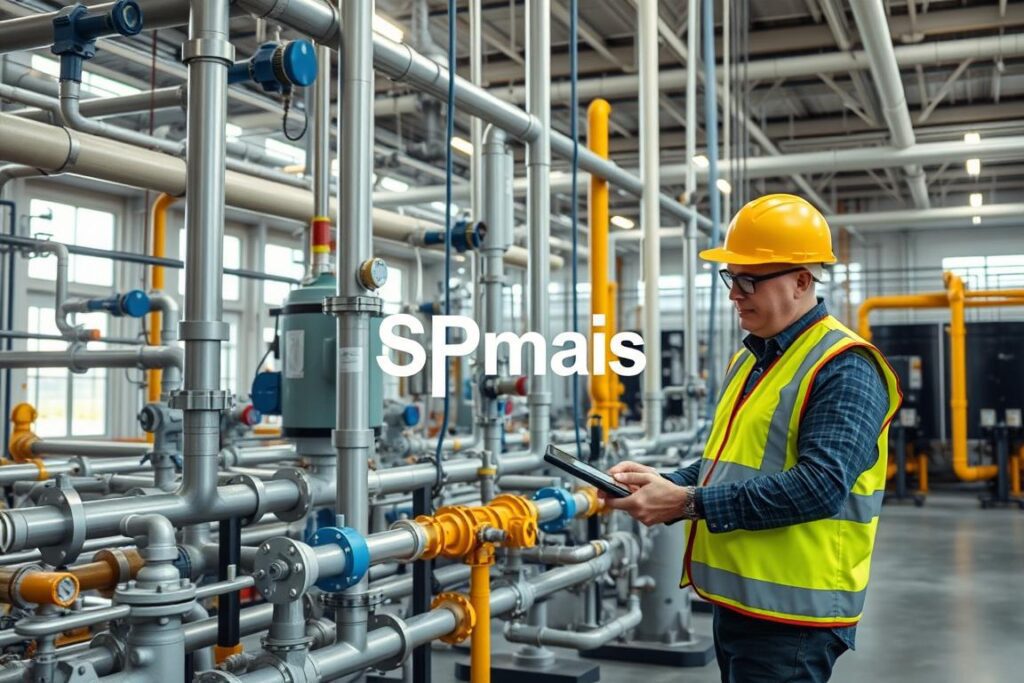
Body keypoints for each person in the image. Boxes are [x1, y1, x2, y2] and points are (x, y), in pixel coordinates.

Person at [601, 194, 901, 683]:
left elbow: (820, 487)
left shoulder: (844, 367)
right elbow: (730, 460)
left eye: (748, 280)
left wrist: (689, 503)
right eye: (731, 279)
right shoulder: (753, 359)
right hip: (741, 607)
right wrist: (664, 482)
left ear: (802, 280)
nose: (734, 294)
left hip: (793, 618)